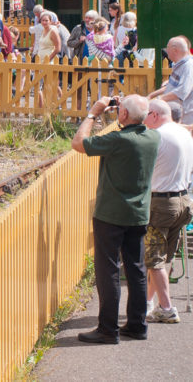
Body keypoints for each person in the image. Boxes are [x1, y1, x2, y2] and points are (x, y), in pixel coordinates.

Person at [72, 94, 158, 344]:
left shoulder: (118, 140)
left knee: (108, 270)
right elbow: (137, 117)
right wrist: (125, 109)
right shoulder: (153, 137)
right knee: (137, 269)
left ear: (123, 116)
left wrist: (93, 113)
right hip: (139, 214)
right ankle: (137, 325)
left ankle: (108, 329)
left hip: (110, 214)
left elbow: (78, 143)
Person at [141, 99, 193, 324]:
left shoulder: (158, 136)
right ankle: (148, 303)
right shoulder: (182, 133)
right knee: (164, 258)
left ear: (153, 115)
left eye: (145, 115)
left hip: (162, 204)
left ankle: (167, 307)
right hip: (183, 200)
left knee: (153, 259)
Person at [149, 36, 193, 125]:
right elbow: (171, 86)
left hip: (185, 117)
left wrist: (159, 100)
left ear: (175, 50)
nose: (166, 50)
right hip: (178, 114)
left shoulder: (188, 66)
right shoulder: (179, 64)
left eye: (167, 47)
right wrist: (151, 96)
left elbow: (182, 91)